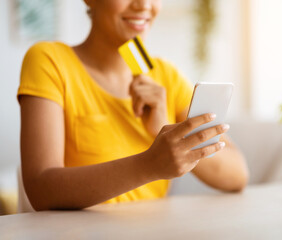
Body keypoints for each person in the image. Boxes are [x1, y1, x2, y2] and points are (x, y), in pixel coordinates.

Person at [17, 0, 249, 211]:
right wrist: (149, 165)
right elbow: (41, 188)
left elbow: (238, 174)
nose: (143, 5)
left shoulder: (167, 76)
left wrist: (166, 129)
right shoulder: (49, 61)